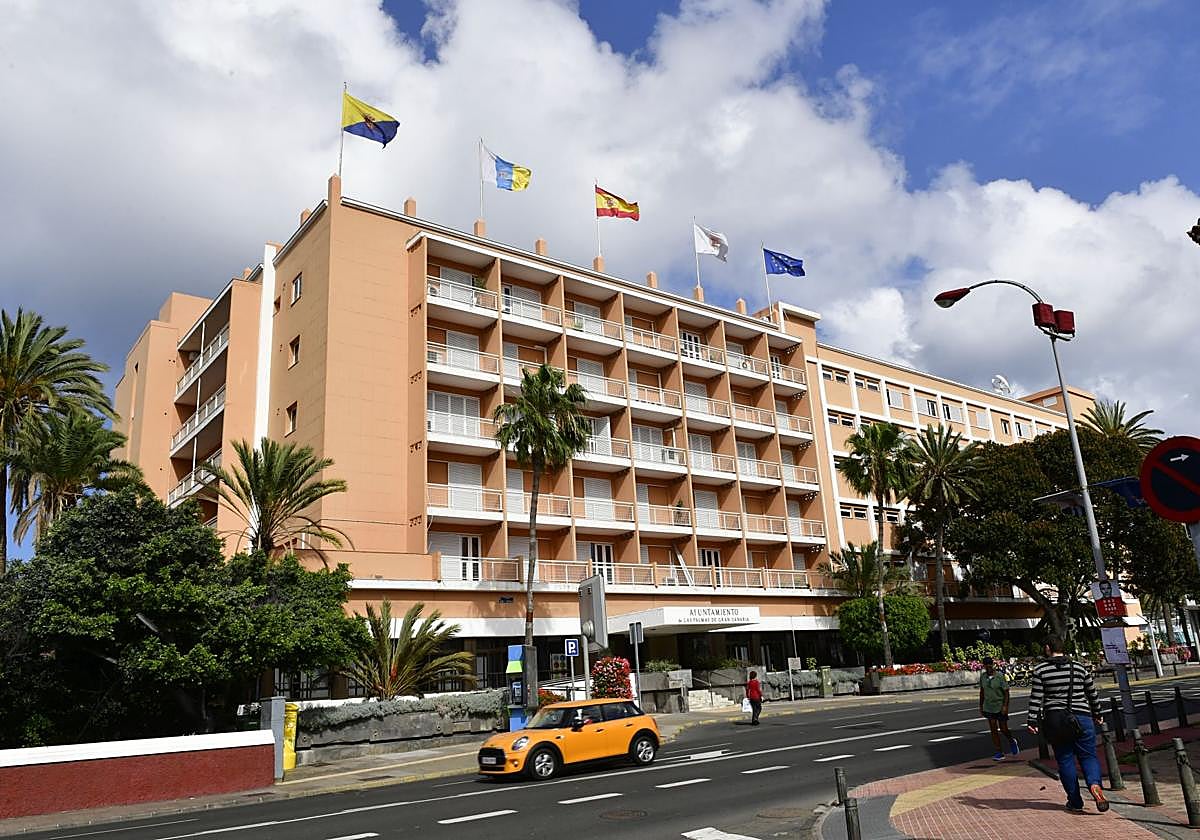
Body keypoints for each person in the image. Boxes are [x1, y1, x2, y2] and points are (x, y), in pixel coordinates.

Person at [1027, 635, 1107, 814]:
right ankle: (1095, 785)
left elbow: (1036, 698)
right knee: (1088, 756)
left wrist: (1032, 720)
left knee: (1065, 760)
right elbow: (1092, 693)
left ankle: (1075, 801)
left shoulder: (1040, 670)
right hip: (1082, 717)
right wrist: (1097, 713)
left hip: (1056, 720)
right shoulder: (1079, 667)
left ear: (1048, 648)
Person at [979, 656, 1019, 760]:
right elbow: (982, 692)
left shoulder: (1000, 676)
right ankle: (999, 751)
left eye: (990, 664)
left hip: (1000, 705)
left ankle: (1011, 740)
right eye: (986, 665)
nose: (988, 667)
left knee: (1003, 728)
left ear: (992, 665)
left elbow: (1006, 692)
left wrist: (1005, 706)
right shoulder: (983, 677)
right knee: (993, 728)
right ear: (984, 666)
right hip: (989, 706)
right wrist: (981, 706)